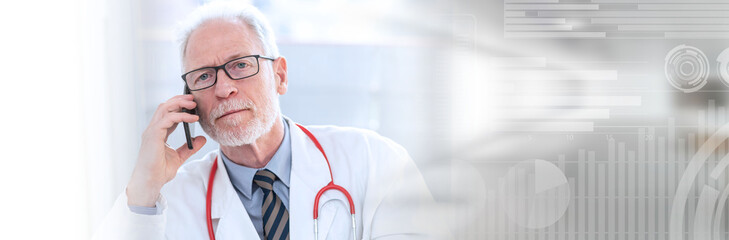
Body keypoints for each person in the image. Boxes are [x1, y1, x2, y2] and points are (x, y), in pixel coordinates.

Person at [92, 1, 444, 239]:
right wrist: (142, 187)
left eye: (241, 65)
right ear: (188, 102)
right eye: (203, 77)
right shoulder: (166, 202)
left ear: (280, 76)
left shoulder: (375, 161)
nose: (224, 88)